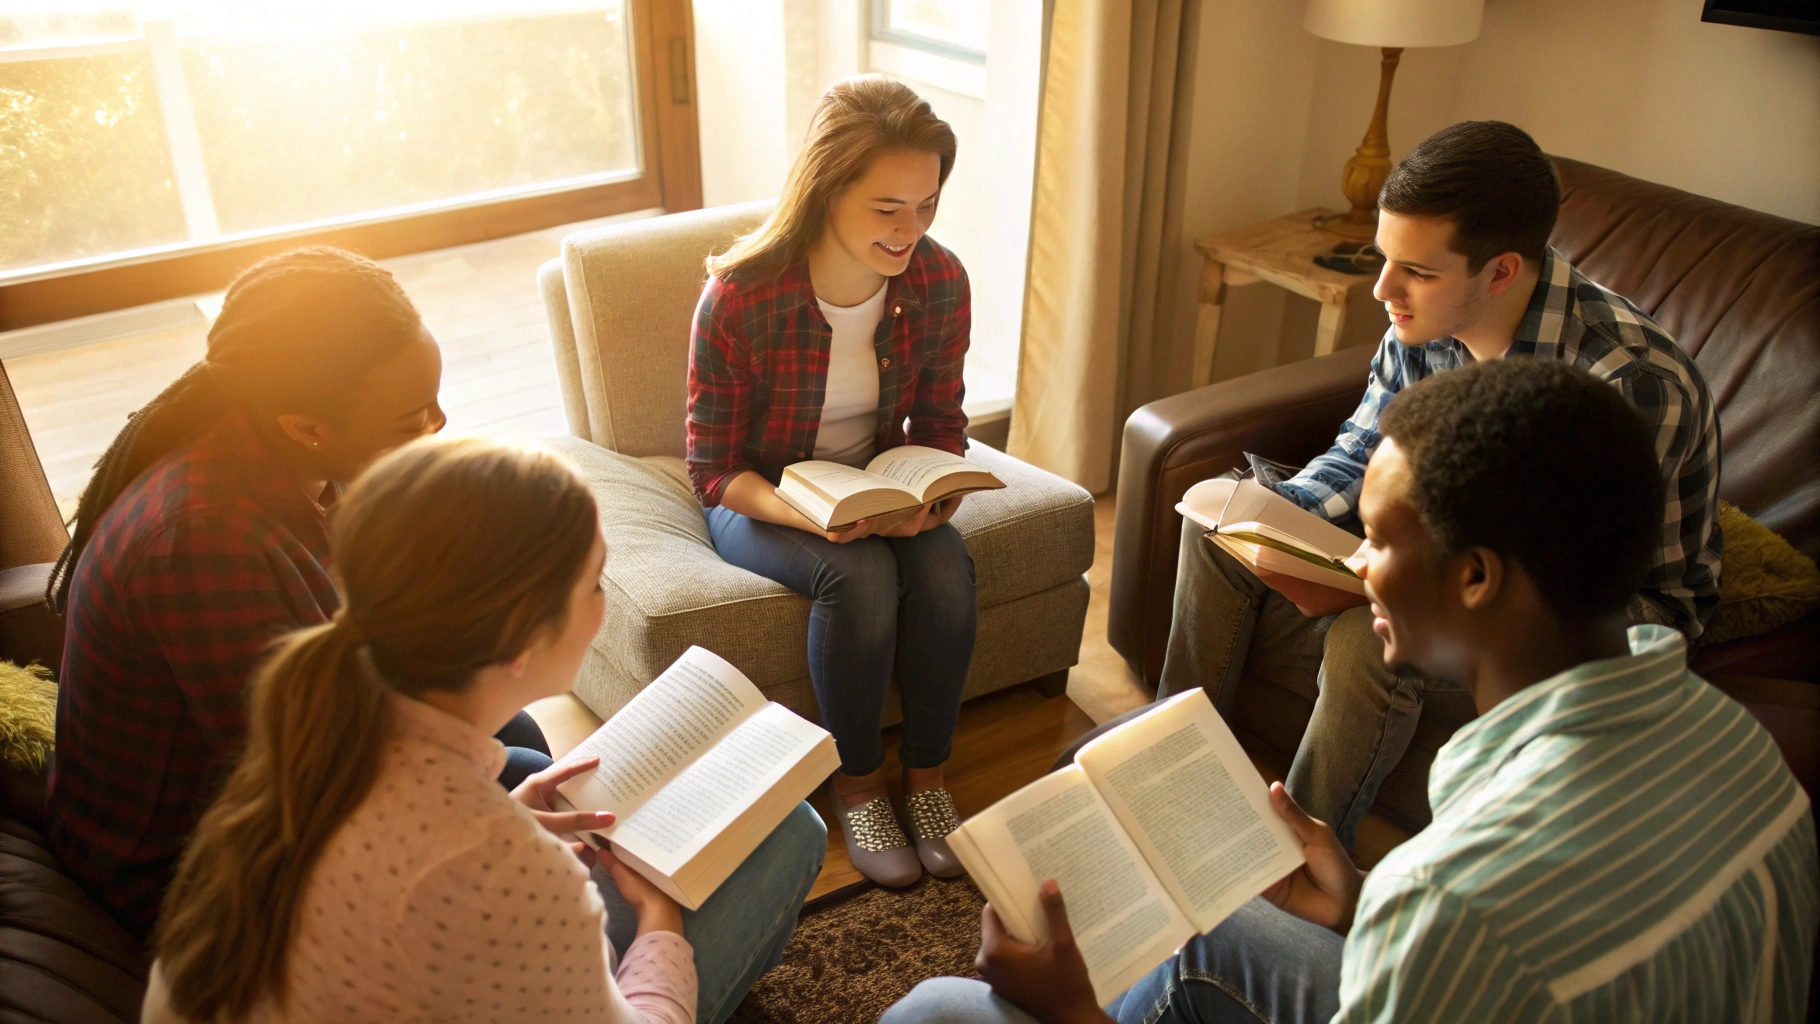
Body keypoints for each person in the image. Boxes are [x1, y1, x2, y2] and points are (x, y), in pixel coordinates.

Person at [884, 358, 1816, 1023]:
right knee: (1211, 932)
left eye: (1377, 537)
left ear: (1476, 577)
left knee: (937, 1011)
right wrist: (1363, 903)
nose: (1359, 564)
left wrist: (1076, 1016)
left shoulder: (1457, 904)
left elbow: (1484, 930)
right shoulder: (1742, 748)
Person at [1158, 120, 1722, 850]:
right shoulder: (1418, 327)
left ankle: (1292, 859)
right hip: (1455, 561)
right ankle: (1164, 771)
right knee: (1218, 528)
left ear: (1500, 272)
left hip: (1608, 614)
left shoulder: (1629, 385)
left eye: (1418, 271)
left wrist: (1382, 583)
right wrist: (1273, 523)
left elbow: (1559, 589)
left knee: (1367, 637)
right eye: (1387, 259)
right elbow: (1362, 451)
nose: (1384, 290)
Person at [143, 437, 825, 1024]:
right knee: (929, 1002)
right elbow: (457, 877)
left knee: (534, 764)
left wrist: (503, 816)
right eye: (595, 584)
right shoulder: (496, 865)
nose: (604, 602)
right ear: (519, 644)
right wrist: (660, 925)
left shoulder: (315, 739)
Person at [45, 247, 554, 940]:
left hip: (276, 773)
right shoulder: (203, 541)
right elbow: (314, 779)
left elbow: (352, 636)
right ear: (307, 426)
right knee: (522, 776)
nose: (439, 426)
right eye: (413, 419)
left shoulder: (296, 459)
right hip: (192, 873)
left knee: (514, 736)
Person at [687, 75, 976, 887]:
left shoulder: (940, 282)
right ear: (825, 190)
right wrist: (809, 520)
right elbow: (712, 469)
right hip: (764, 498)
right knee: (858, 577)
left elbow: (942, 423)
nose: (910, 229)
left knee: (946, 569)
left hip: (877, 485)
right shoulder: (741, 297)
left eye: (925, 206)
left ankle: (927, 780)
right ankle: (857, 786)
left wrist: (934, 499)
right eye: (888, 209)